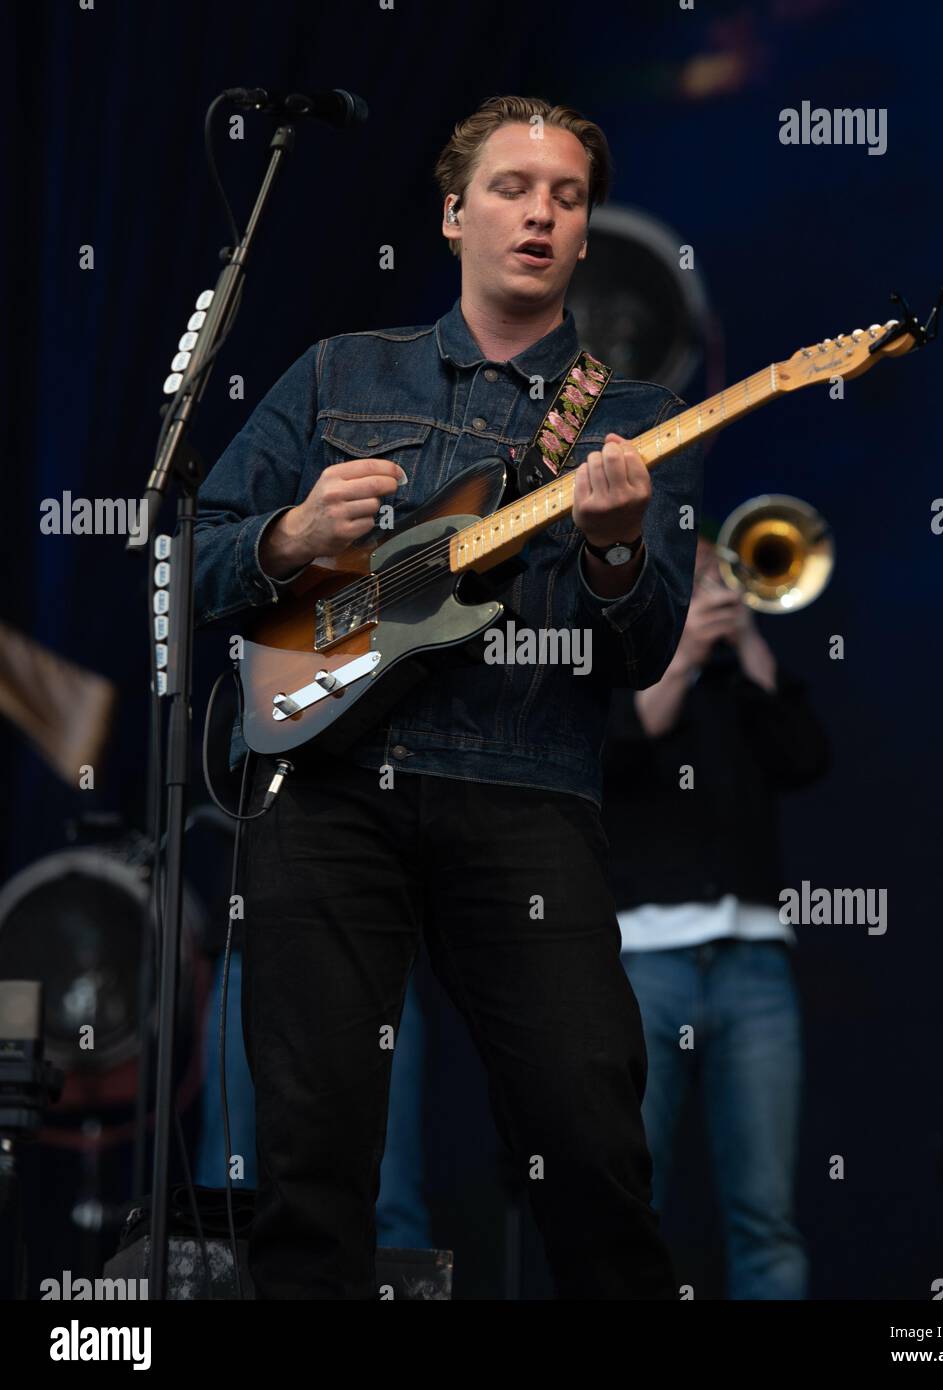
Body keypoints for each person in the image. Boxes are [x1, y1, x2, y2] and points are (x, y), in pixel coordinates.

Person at [192, 95, 705, 1298]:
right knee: (310, 1152)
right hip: (323, 791)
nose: (538, 213)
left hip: (522, 792)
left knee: (590, 1134)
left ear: (583, 236)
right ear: (451, 213)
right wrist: (287, 533)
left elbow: (646, 646)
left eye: (565, 197)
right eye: (512, 188)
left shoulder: (623, 419)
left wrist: (616, 549)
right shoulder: (336, 372)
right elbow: (193, 554)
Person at [600, 537, 830, 1298]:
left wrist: (748, 637)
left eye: (720, 574)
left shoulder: (744, 680)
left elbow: (804, 757)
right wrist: (686, 650)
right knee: (633, 1208)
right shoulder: (624, 661)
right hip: (646, 966)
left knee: (767, 1216)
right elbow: (623, 744)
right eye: (696, 576)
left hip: (753, 964)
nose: (713, 588)